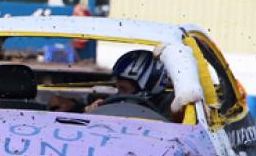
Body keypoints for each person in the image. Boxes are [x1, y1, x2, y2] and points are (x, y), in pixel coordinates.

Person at [49, 49, 180, 120]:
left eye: (123, 88)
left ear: (148, 86)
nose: (118, 93)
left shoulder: (170, 108)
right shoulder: (113, 100)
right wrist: (84, 109)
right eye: (117, 87)